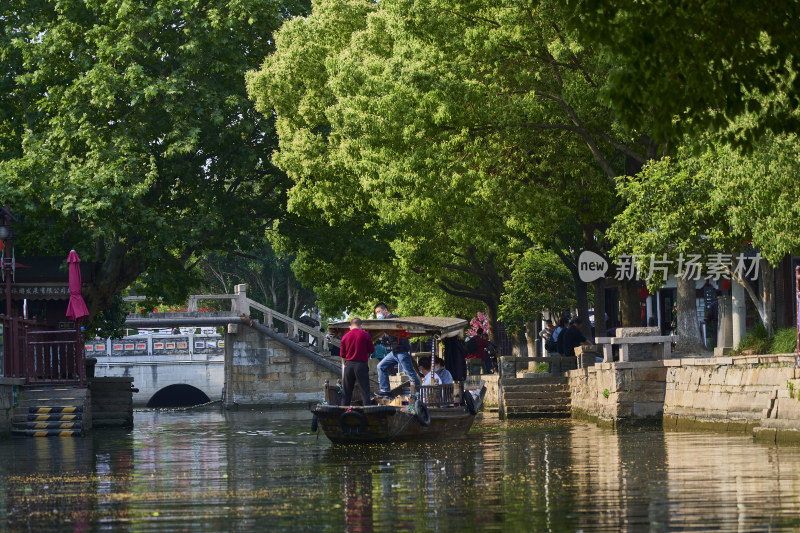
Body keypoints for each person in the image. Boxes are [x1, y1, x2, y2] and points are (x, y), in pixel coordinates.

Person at [374, 302, 421, 396]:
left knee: (410, 374)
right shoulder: (385, 323)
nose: (377, 314)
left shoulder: (393, 318)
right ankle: (385, 390)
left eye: (379, 311)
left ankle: (420, 393)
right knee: (380, 366)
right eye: (376, 313)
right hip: (394, 352)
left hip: (402, 351)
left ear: (385, 310)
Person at [339, 317, 375, 406]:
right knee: (364, 390)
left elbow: (342, 355)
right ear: (361, 325)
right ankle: (368, 411)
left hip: (348, 365)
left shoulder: (345, 337)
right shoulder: (365, 334)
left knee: (346, 391)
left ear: (350, 326)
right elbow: (371, 350)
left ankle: (343, 411)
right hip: (361, 365)